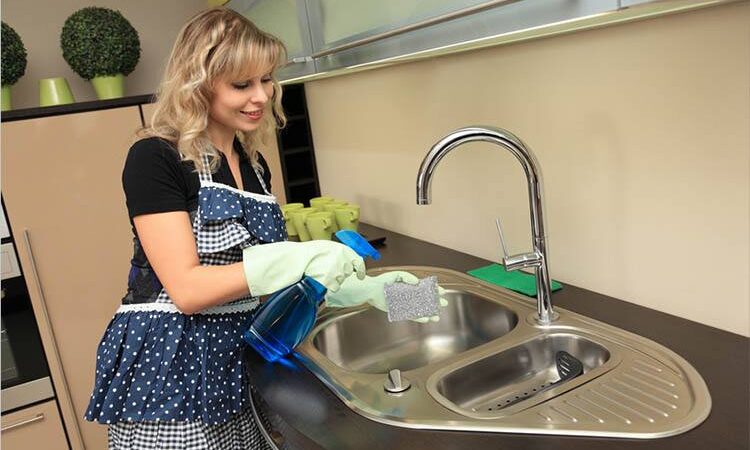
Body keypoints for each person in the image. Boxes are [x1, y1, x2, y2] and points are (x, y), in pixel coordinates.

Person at [83, 7, 438, 450]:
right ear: (199, 82)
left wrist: (370, 293)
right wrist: (298, 257)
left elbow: (265, 285)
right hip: (175, 368)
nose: (262, 96)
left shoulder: (254, 165)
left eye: (266, 79)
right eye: (241, 84)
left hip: (243, 357)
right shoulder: (156, 158)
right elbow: (187, 290)